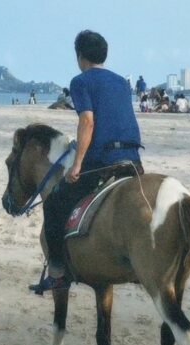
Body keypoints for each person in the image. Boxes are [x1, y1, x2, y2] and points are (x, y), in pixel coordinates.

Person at [36, 30, 144, 294]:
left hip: (103, 161)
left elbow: (88, 121)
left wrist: (77, 164)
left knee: (55, 204)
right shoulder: (121, 82)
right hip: (133, 160)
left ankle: (58, 274)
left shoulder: (81, 81)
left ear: (80, 56)